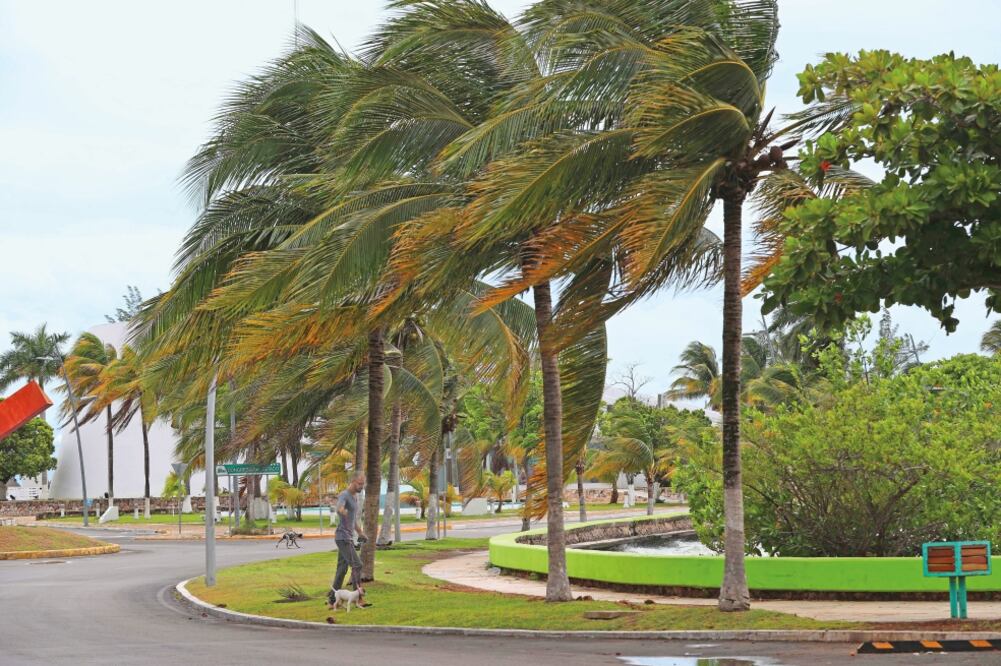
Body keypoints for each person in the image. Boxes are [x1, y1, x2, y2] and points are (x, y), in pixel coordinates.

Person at [329, 473, 367, 604]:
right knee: (357, 565)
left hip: (347, 537)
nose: (361, 486)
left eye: (363, 484)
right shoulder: (345, 495)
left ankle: (332, 599)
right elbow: (339, 507)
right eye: (359, 483)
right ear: (352, 481)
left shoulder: (355, 497)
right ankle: (359, 598)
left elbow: (353, 520)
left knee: (342, 569)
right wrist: (341, 511)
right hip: (343, 537)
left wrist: (360, 533)